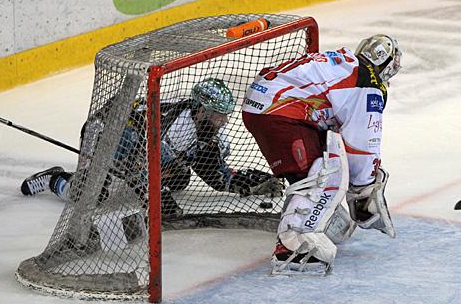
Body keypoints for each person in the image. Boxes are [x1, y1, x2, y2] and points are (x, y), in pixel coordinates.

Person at [242, 34, 402, 274]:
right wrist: (364, 188)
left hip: (266, 104)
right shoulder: (367, 84)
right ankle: (293, 248)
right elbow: (361, 145)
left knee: (323, 160)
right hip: (279, 111)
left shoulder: (347, 64)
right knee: (325, 174)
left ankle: (318, 220)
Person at [21, 77, 283, 219]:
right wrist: (155, 196)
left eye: (224, 115)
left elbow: (214, 173)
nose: (223, 121)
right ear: (201, 110)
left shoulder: (204, 127)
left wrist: (247, 182)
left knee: (180, 178)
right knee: (91, 194)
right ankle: (55, 178)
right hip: (107, 132)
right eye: (218, 115)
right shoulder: (172, 127)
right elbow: (136, 167)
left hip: (139, 143)